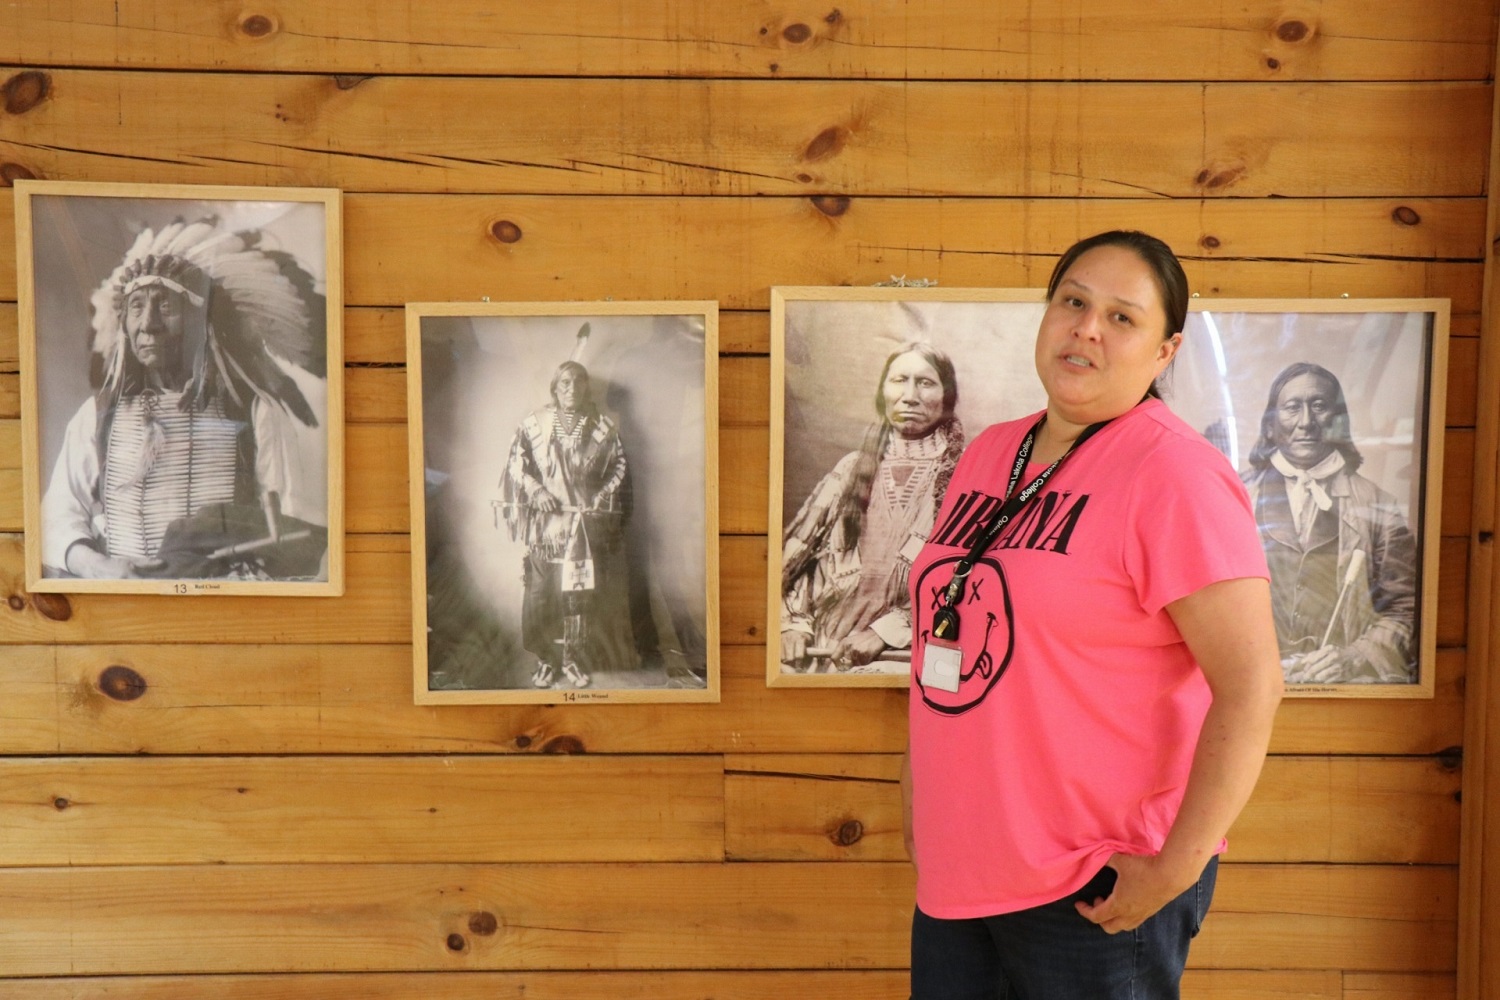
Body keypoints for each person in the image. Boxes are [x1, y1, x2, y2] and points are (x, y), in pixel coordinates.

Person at [902, 231, 1284, 999]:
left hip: (1092, 882)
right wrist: (922, 805)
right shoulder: (989, 452)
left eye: (1122, 317)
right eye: (1073, 302)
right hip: (961, 873)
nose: (1086, 329)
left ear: (1165, 350)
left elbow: (1252, 685)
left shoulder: (1174, 474)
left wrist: (1174, 868)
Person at [40, 217, 329, 581]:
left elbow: (290, 529)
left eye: (165, 305)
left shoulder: (255, 413)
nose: (149, 323)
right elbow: (57, 515)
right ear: (124, 325)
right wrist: (99, 566)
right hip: (123, 605)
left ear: (198, 322)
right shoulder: (97, 416)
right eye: (137, 306)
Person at [779, 342, 965, 674]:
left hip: (913, 652)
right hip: (825, 647)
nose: (910, 395)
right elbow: (793, 565)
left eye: (925, 382)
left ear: (946, 396)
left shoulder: (966, 476)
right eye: (899, 380)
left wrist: (886, 632)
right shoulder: (850, 470)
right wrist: (792, 625)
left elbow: (975, 581)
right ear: (882, 393)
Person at [1241, 362, 1418, 684]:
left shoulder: (1379, 507)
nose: (1306, 422)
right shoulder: (1234, 498)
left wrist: (1354, 658)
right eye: (1292, 407)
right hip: (1249, 683)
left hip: (1339, 687)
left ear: (1338, 421)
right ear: (1270, 425)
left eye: (1319, 406)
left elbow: (1404, 611)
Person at [498, 360, 636, 690]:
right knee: (540, 595)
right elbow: (516, 463)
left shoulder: (602, 428)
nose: (571, 389)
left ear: (587, 387)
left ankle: (572, 660)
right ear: (554, 388)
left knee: (577, 597)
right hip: (545, 529)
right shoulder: (534, 424)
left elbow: (619, 470)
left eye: (578, 382)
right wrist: (537, 490)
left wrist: (598, 500)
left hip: (582, 529)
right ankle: (545, 660)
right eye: (564, 383)